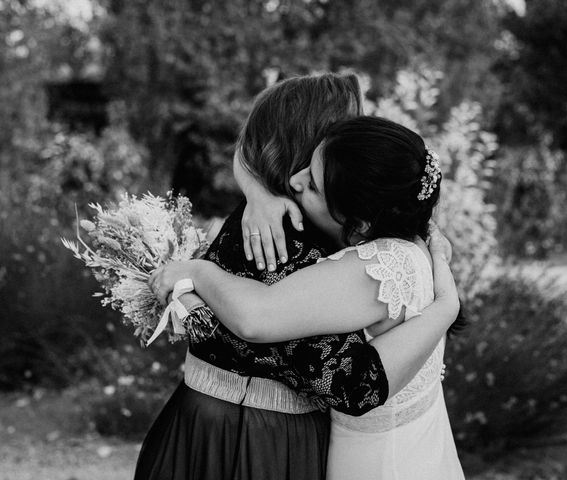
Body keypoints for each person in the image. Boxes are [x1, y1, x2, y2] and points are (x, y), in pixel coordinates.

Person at [136, 74, 460, 480]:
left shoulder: (370, 259)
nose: (296, 180)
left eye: (315, 180)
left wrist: (196, 277)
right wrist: (255, 188)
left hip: (366, 459)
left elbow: (344, 377)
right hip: (276, 437)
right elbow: (253, 142)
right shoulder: (370, 223)